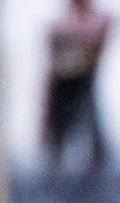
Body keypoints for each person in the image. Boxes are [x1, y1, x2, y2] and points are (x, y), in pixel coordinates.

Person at [42, 0, 111, 176]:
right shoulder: (61, 28)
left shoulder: (94, 24)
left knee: (88, 133)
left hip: (82, 84)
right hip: (65, 86)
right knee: (61, 135)